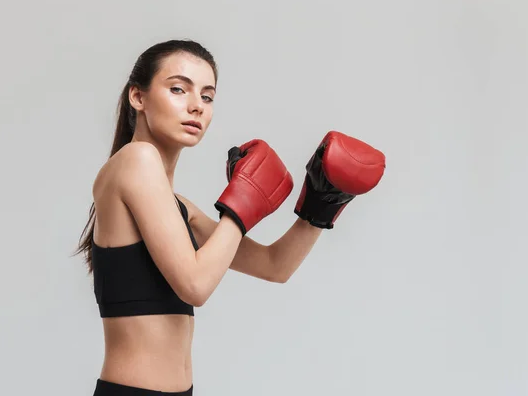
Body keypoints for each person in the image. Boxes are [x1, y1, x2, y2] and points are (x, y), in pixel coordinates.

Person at [75, 39, 386, 396]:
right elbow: (194, 285)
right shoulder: (137, 160)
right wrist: (240, 207)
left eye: (207, 97)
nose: (196, 106)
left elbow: (274, 266)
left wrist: (320, 204)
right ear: (138, 97)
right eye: (178, 89)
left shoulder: (178, 207)